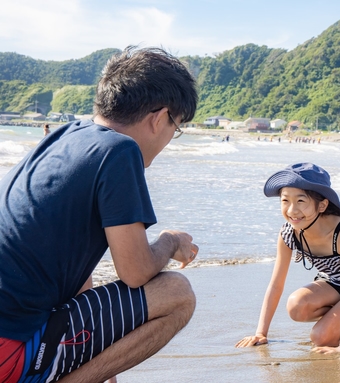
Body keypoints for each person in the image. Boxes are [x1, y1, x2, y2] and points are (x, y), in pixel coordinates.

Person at [0, 46, 199, 383]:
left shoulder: (66, 136)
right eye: (175, 128)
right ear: (159, 118)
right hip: (11, 351)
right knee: (178, 294)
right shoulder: (120, 151)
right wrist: (170, 241)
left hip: (12, 327)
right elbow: (135, 272)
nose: (169, 139)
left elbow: (75, 272)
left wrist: (107, 369)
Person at [235, 163, 340, 354]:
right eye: (285, 201)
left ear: (322, 205)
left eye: (301, 201)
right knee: (296, 307)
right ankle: (339, 320)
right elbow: (276, 284)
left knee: (320, 338)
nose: (292, 210)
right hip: (333, 281)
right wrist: (261, 333)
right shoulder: (288, 233)